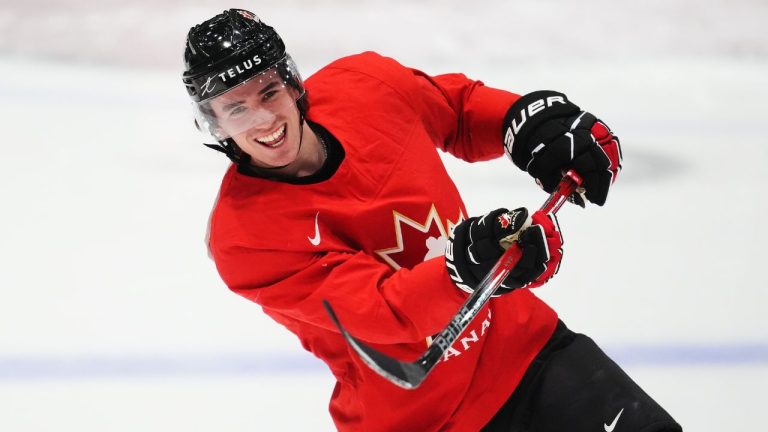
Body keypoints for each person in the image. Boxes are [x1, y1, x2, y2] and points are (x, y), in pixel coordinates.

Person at [182, 9, 681, 432]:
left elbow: (457, 112)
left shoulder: (363, 85)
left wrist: (523, 122)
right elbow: (384, 312)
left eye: (268, 92)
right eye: (236, 108)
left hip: (527, 351)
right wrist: (468, 268)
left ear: (292, 84)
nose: (264, 120)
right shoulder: (244, 239)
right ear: (215, 123)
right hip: (421, 420)